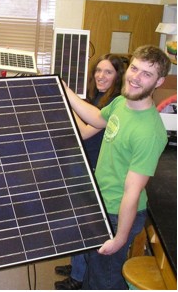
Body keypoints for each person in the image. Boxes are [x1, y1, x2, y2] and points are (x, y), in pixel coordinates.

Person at [63, 45, 171, 289]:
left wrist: (119, 238)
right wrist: (65, 91)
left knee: (106, 281)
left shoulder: (149, 133)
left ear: (159, 81)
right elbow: (96, 118)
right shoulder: (122, 102)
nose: (136, 77)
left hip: (116, 214)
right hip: (101, 204)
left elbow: (132, 193)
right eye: (135, 68)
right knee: (93, 273)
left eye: (146, 74)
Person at [54, 54, 126, 290]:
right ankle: (76, 267)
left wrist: (67, 99)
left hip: (95, 167)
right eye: (98, 71)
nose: (100, 76)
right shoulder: (97, 97)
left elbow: (84, 132)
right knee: (79, 223)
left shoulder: (114, 102)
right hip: (84, 164)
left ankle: (78, 277)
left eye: (108, 72)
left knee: (87, 226)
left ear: (117, 77)